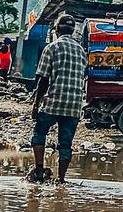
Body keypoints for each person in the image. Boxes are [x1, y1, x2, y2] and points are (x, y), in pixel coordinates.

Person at [29, 15, 86, 183]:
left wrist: (35, 104)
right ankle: (61, 179)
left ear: (57, 30)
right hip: (74, 105)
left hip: (53, 102)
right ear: (73, 30)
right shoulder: (81, 51)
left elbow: (43, 80)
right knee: (65, 144)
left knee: (39, 133)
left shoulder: (52, 48)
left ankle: (39, 170)